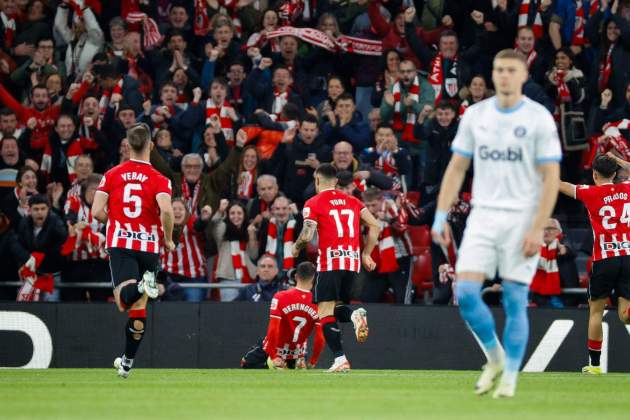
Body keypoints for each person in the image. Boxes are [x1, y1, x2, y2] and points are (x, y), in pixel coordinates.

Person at [431, 49, 561, 398]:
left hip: (522, 218)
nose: (504, 75)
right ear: (493, 74)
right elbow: (457, 168)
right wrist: (441, 216)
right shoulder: (475, 115)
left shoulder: (539, 118)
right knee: (468, 294)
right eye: (498, 69)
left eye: (510, 70)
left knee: (516, 300)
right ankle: (495, 358)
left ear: (522, 76)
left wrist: (538, 227)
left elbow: (551, 177)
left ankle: (510, 378)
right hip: (483, 217)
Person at [91, 122, 175, 379]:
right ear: (150, 145)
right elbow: (168, 211)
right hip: (149, 246)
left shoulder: (112, 174)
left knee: (123, 300)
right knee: (138, 309)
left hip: (122, 244)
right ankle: (127, 362)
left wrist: (115, 222)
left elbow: (95, 211)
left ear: (127, 146)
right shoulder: (161, 179)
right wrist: (169, 239)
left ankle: (141, 285)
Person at [292, 163, 380, 372]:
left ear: (317, 180)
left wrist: (296, 248)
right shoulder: (353, 201)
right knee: (334, 308)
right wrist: (366, 253)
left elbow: (307, 233)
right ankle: (353, 317)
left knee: (323, 311)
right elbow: (375, 225)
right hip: (352, 263)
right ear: (336, 181)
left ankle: (340, 359)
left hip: (330, 261)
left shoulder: (313, 202)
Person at [558, 155, 630, 375]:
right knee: (625, 314)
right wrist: (618, 159)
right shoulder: (627, 189)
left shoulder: (590, 192)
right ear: (616, 174)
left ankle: (595, 366)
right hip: (628, 256)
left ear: (594, 175)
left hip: (604, 259)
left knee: (596, 312)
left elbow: (561, 185)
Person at [240, 261, 325, 370]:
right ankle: (294, 364)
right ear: (314, 278)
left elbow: (273, 329)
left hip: (274, 349)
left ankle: (272, 365)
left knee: (245, 364)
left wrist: (274, 356)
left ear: (296, 276)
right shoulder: (318, 303)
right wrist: (313, 361)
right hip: (297, 353)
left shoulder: (280, 297)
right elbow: (320, 338)